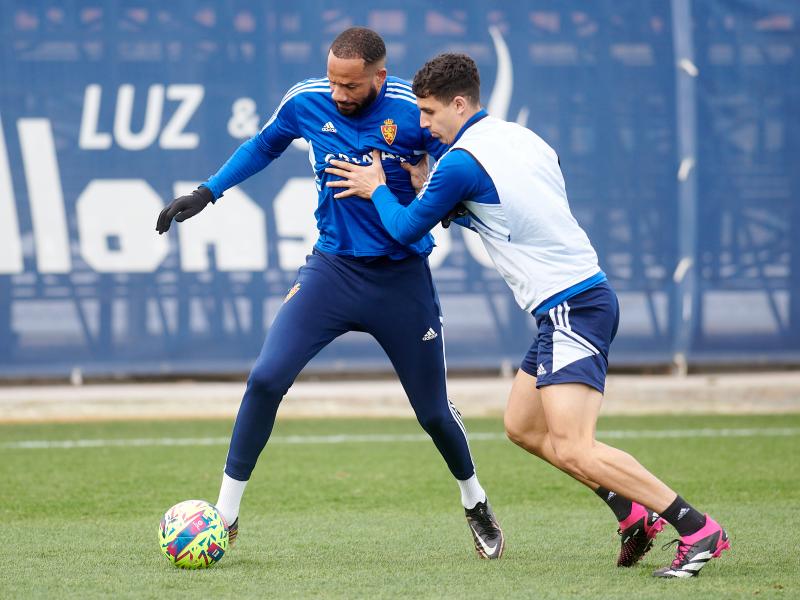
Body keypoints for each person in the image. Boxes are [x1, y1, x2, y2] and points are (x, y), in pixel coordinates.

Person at [325, 52, 730, 578]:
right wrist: (435, 189)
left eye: (427, 113)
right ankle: (630, 512)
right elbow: (507, 212)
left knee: (575, 446)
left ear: (459, 103)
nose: (420, 124)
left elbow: (405, 229)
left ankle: (697, 529)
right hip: (572, 304)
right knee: (522, 427)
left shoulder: (460, 162)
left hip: (571, 307)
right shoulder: (524, 139)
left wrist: (377, 187)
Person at [155, 29, 504, 560]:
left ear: (380, 77)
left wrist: (428, 179)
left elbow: (464, 166)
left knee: (433, 411)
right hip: (332, 271)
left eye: (352, 84)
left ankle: (474, 501)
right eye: (335, 81)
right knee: (266, 377)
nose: (340, 93)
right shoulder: (306, 99)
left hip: (401, 279)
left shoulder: (417, 109)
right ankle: (224, 516)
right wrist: (208, 191)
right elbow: (263, 145)